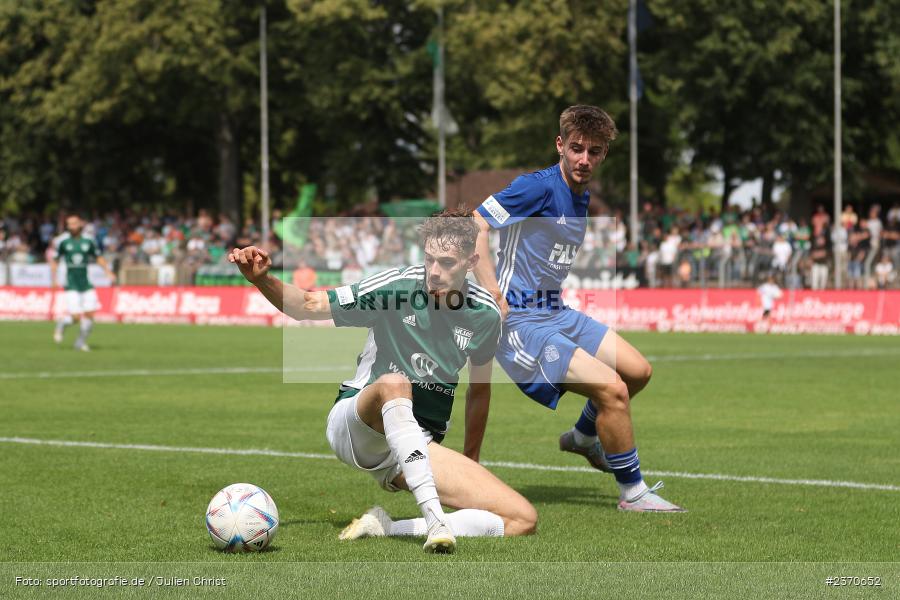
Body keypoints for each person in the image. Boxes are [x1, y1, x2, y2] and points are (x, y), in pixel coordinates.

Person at [229, 210, 537, 553]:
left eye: (447, 262)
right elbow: (309, 305)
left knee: (521, 519)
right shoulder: (397, 286)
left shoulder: (485, 315)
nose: (435, 272)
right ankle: (436, 524)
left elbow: (480, 392)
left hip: (414, 445)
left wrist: (471, 461)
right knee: (395, 382)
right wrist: (261, 280)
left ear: (471, 261)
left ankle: (386, 526)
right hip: (359, 424)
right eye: (429, 259)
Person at [472, 105, 684, 512]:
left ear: (604, 154)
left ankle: (584, 437)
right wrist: (494, 294)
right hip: (521, 321)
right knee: (613, 390)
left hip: (557, 311)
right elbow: (475, 224)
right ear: (560, 145)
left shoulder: (581, 197)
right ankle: (633, 493)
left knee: (638, 372)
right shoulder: (535, 187)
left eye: (595, 151)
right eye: (576, 149)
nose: (584, 159)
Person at [50, 215, 116, 351]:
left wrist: (108, 271)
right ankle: (62, 324)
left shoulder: (88, 240)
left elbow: (98, 257)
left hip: (86, 284)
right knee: (75, 317)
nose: (72, 226)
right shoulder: (62, 241)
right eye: (69, 224)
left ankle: (79, 342)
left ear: (80, 224)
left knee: (90, 314)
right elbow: (55, 260)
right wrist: (54, 278)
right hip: (71, 284)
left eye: (74, 223)